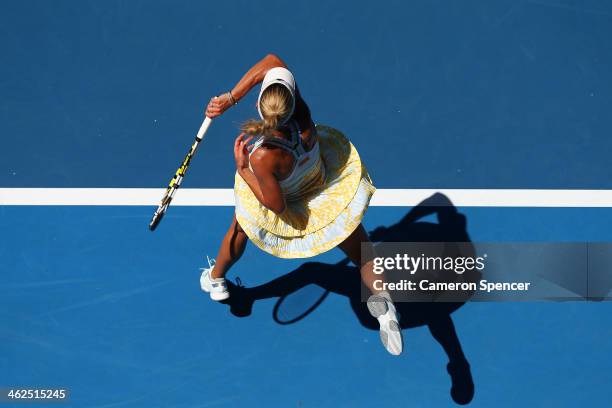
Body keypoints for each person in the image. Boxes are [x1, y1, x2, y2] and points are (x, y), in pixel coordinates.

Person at [200, 54, 403, 355]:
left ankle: (216, 279)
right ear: (291, 100)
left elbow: (276, 206)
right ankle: (386, 311)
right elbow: (273, 62)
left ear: (261, 106)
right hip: (321, 185)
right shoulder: (302, 114)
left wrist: (244, 169)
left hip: (294, 202)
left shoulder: (262, 157)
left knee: (240, 225)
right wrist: (230, 98)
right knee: (363, 251)